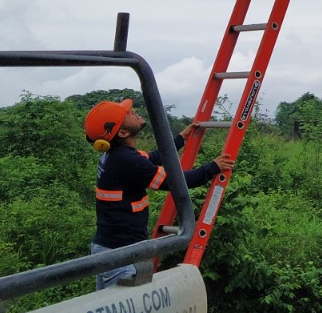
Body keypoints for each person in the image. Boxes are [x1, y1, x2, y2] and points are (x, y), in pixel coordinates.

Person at [85, 99, 221, 289]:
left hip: (110, 250)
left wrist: (181, 137)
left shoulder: (118, 154)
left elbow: (153, 157)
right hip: (121, 256)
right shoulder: (127, 160)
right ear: (123, 132)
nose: (133, 111)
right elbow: (175, 182)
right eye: (127, 113)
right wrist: (213, 168)